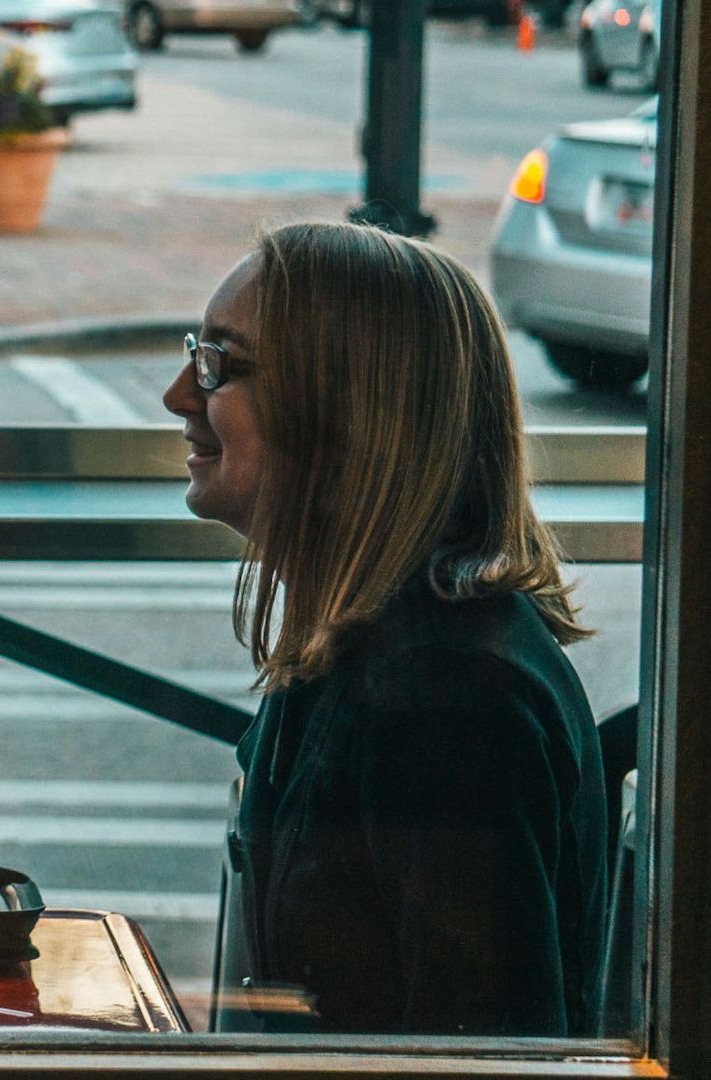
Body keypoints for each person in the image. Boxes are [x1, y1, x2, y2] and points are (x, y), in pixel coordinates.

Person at [165, 222, 608, 1035]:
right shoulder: (384, 638)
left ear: (345, 407)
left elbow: (483, 1055)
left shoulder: (444, 698)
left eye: (217, 365)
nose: (180, 397)